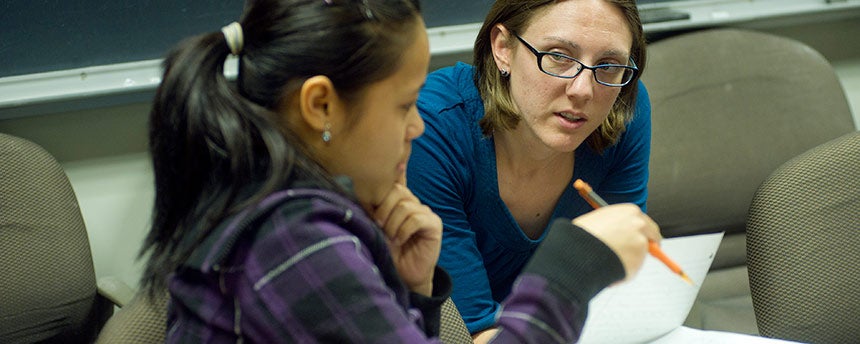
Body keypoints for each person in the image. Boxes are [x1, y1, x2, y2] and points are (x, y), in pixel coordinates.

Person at [140, 0, 659, 342]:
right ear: (320, 106)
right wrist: (571, 269)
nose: (416, 125)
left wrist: (411, 293)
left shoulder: (302, 215)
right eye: (404, 105)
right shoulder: (291, 240)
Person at [406, 0, 653, 339]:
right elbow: (470, 333)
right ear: (503, 48)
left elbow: (621, 288)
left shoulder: (622, 108)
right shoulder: (431, 125)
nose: (583, 90)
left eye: (609, 65)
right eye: (559, 56)